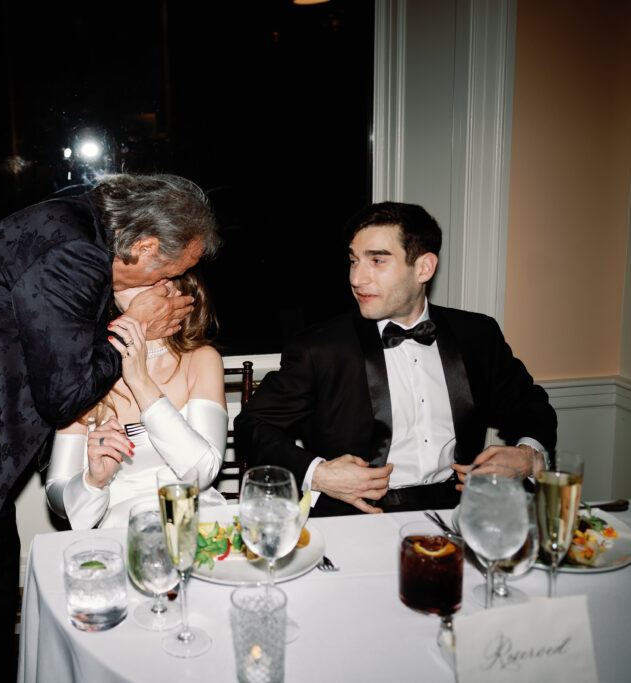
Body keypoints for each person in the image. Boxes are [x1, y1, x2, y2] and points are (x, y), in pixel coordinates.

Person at [0, 173, 219, 681]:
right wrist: (134, 332)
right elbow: (64, 397)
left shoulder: (78, 219)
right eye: (173, 270)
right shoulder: (73, 253)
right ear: (143, 246)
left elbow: (53, 335)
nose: (168, 289)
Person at [234, 201, 556, 516]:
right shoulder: (321, 348)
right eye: (353, 260)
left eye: (377, 261)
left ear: (423, 268)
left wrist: (529, 456)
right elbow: (251, 425)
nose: (357, 278)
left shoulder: (477, 335)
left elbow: (534, 409)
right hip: (357, 518)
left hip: (462, 514)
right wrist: (319, 474)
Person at [45, 272, 227, 529]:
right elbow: (57, 496)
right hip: (120, 533)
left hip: (195, 523)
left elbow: (202, 473)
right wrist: (93, 480)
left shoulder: (201, 360)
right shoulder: (84, 372)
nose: (141, 275)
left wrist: (140, 380)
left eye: (159, 272)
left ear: (180, 292)